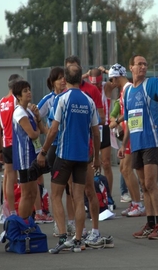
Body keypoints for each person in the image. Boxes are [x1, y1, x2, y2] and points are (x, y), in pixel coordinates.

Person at [37, 64, 100, 253]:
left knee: (56, 195)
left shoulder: (62, 99)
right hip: (83, 156)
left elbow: (54, 130)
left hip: (64, 155)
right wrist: (96, 157)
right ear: (81, 78)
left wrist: (43, 151)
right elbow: (96, 133)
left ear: (66, 78)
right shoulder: (89, 101)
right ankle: (78, 240)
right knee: (78, 198)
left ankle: (64, 237)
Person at [119, 55, 158, 239]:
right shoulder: (128, 91)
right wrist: (124, 144)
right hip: (136, 144)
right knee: (144, 185)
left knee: (151, 184)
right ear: (131, 68)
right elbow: (129, 121)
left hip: (151, 143)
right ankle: (150, 224)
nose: (143, 67)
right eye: (139, 64)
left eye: (145, 64)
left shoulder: (151, 84)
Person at [64, 55, 105, 248]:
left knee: (89, 190)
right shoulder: (64, 92)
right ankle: (77, 229)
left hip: (86, 150)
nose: (73, 72)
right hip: (67, 150)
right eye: (69, 69)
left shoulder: (92, 90)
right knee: (72, 191)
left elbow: (100, 120)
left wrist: (96, 156)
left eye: (75, 68)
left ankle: (95, 230)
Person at [108, 64, 145, 217]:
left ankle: (138, 203)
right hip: (129, 131)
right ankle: (135, 202)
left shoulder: (128, 89)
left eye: (112, 79)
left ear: (117, 77)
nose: (111, 83)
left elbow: (132, 113)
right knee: (124, 169)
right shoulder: (125, 90)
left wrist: (117, 122)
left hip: (132, 132)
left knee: (128, 169)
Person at [37, 67, 70, 231]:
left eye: (64, 78)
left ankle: (69, 223)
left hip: (69, 145)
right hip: (55, 145)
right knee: (56, 188)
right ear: (52, 82)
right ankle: (59, 224)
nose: (63, 81)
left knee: (71, 188)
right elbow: (34, 113)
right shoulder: (49, 99)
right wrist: (43, 130)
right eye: (59, 78)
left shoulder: (69, 96)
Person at [12, 80, 47, 220]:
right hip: (24, 157)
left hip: (32, 155)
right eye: (25, 91)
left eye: (29, 89)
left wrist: (38, 117)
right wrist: (37, 131)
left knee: (33, 192)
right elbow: (33, 134)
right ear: (18, 96)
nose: (29, 93)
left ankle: (28, 221)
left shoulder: (29, 111)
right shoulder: (19, 112)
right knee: (26, 194)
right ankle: (21, 223)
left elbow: (42, 129)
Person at [0, 74, 23, 217]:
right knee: (25, 178)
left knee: (9, 178)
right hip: (18, 144)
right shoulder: (17, 101)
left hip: (6, 144)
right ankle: (25, 211)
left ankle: (10, 211)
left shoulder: (0, 102)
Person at [87, 67, 116, 194]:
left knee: (106, 163)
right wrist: (86, 74)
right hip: (89, 127)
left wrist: (106, 72)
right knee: (91, 163)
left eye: (97, 83)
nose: (95, 86)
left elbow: (118, 80)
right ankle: (95, 194)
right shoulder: (86, 88)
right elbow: (71, 81)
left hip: (103, 127)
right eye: (93, 84)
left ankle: (108, 195)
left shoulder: (106, 87)